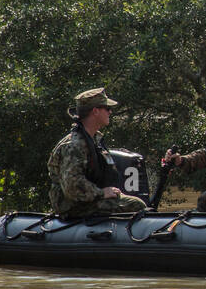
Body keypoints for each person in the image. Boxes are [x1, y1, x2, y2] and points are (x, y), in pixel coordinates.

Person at [47, 88, 147, 219]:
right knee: (136, 205)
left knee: (136, 202)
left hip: (88, 200)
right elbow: (72, 186)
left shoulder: (93, 140)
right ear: (95, 111)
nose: (110, 112)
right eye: (107, 108)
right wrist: (101, 193)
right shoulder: (74, 145)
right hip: (73, 206)